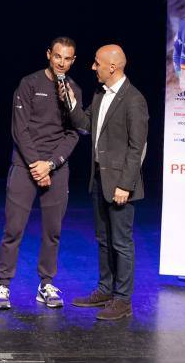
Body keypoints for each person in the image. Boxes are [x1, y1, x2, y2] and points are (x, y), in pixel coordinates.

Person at [0, 37, 81, 310]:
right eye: (57, 57)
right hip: (25, 166)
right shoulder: (29, 84)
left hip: (56, 169)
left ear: (73, 60)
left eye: (67, 59)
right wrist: (36, 165)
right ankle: (4, 286)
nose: (61, 63)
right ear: (48, 55)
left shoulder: (74, 89)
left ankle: (45, 284)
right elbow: (20, 130)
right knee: (13, 229)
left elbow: (73, 133)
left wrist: (51, 164)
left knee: (52, 231)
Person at [63, 44, 148, 320]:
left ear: (112, 67)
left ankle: (123, 300)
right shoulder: (101, 94)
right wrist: (69, 101)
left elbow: (137, 148)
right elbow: (85, 124)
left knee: (121, 242)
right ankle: (105, 289)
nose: (93, 67)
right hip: (99, 178)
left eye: (97, 62)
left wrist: (126, 184)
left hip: (121, 184)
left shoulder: (133, 99)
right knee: (103, 239)